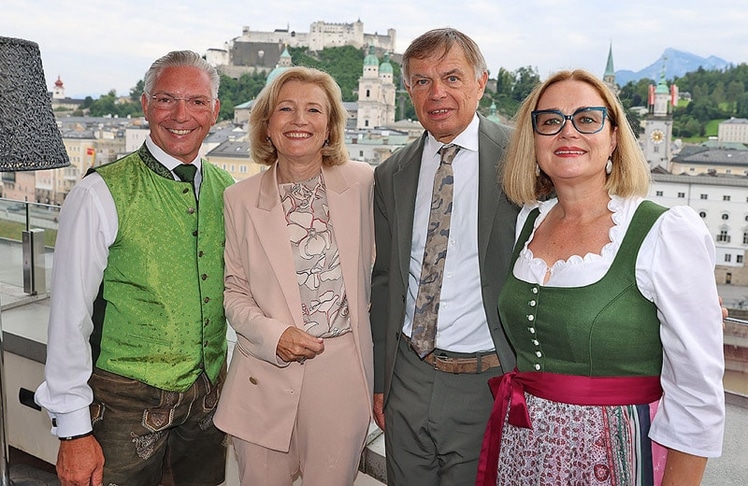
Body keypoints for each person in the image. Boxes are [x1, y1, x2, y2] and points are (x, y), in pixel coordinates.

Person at [476, 69, 725, 486]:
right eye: (550, 121)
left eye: (587, 119)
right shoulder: (529, 221)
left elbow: (697, 391)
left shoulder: (664, 231)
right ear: (533, 140)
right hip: (525, 448)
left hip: (618, 452)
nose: (567, 132)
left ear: (613, 138)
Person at [34, 50, 235, 486]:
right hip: (122, 403)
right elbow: (69, 318)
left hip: (206, 402)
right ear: (145, 106)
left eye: (197, 102)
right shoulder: (98, 193)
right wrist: (73, 431)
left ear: (215, 111)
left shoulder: (228, 189)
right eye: (166, 99)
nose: (181, 115)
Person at [370, 27, 519, 485]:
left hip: (489, 379)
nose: (436, 93)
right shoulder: (391, 173)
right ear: (408, 90)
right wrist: (381, 380)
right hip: (408, 378)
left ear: (481, 82)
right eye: (422, 81)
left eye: (452, 78)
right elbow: (385, 280)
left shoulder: (523, 158)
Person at [213, 66, 374, 485]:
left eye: (313, 110)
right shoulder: (238, 198)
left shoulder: (364, 183)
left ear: (330, 126)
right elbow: (234, 290)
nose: (299, 120)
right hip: (262, 373)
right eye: (286, 108)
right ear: (267, 126)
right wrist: (274, 335)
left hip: (341, 376)